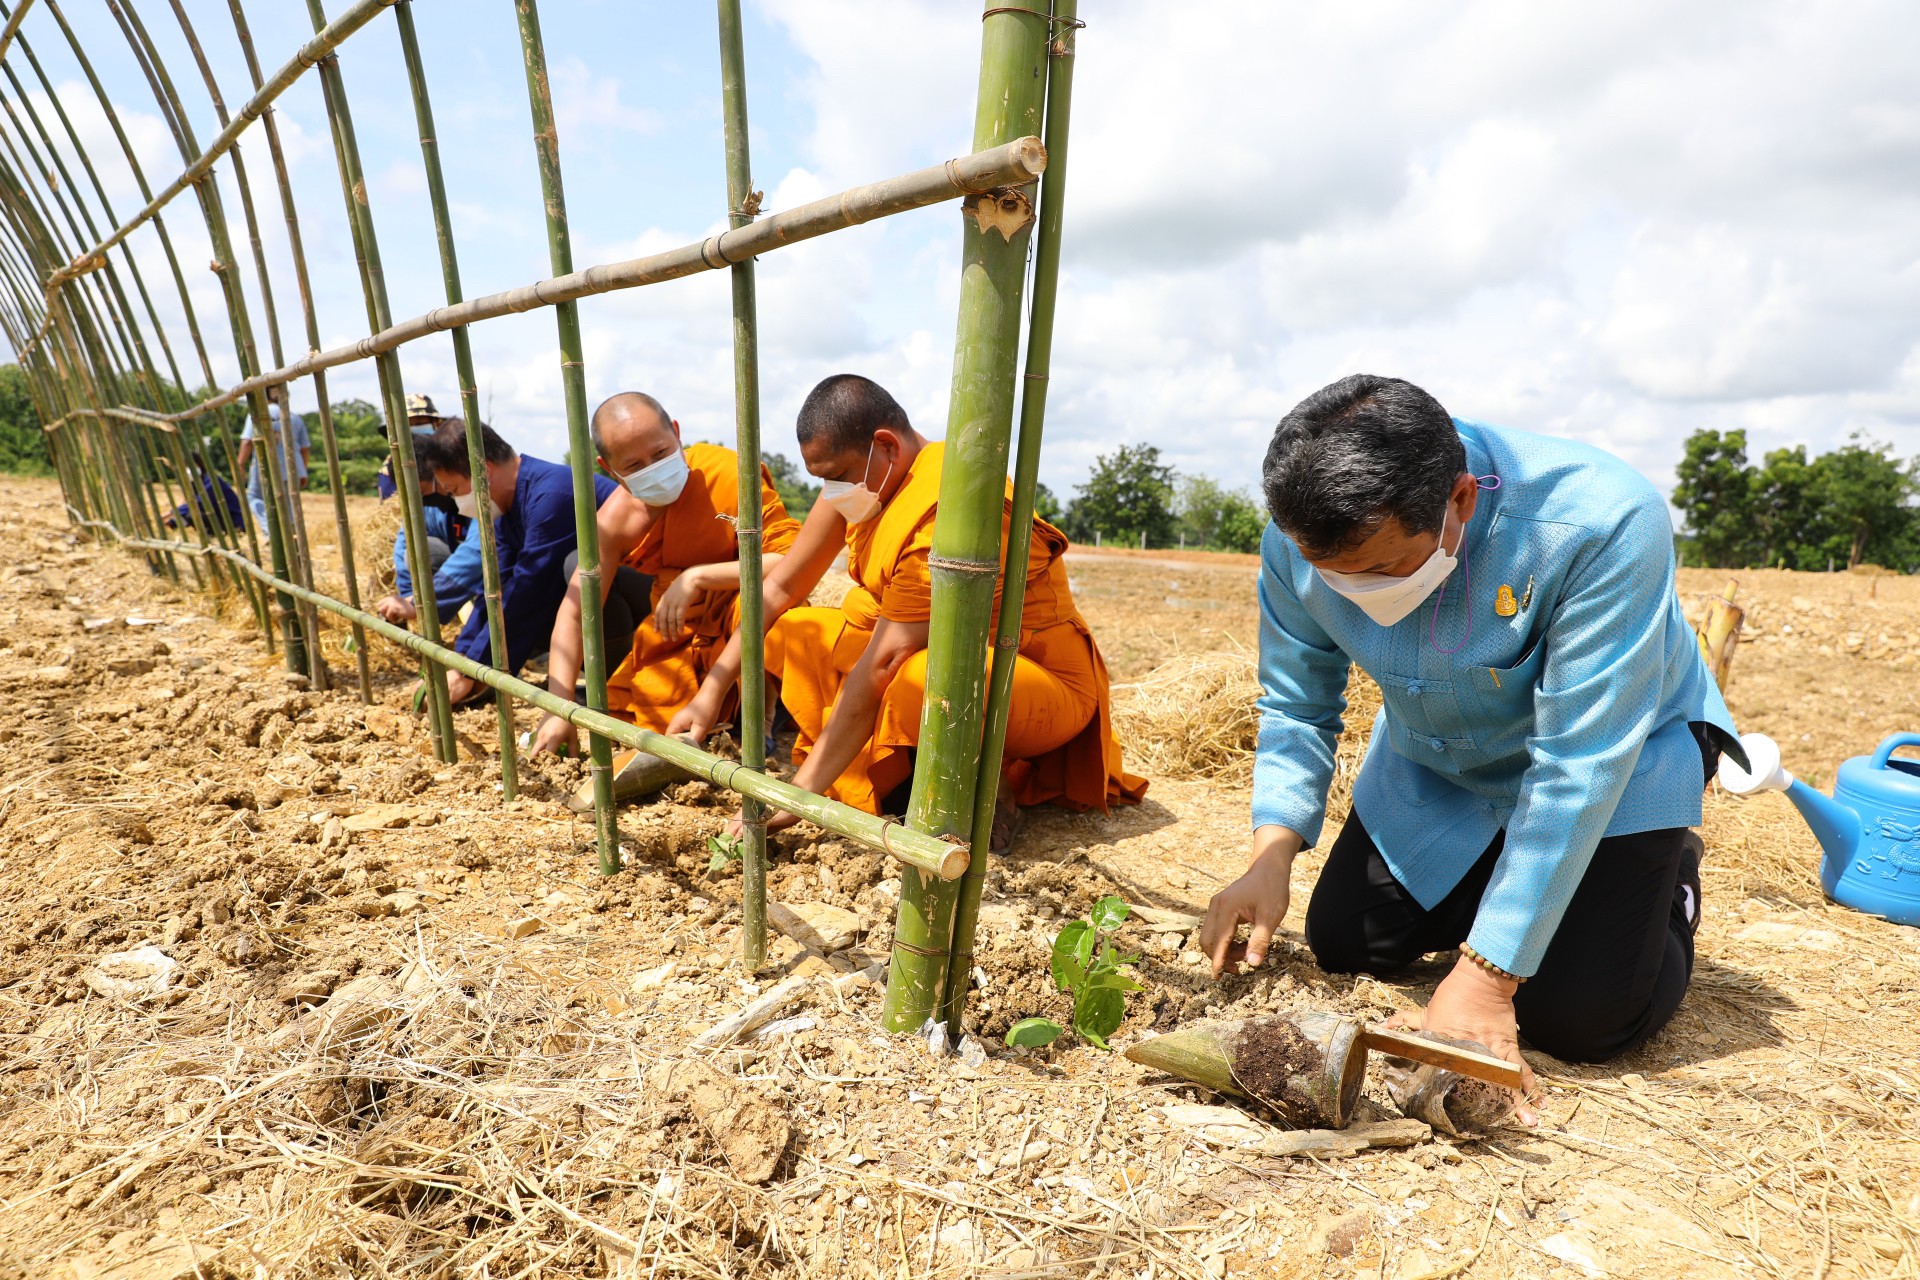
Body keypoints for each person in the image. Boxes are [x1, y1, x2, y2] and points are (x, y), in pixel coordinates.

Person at [1198, 374, 1742, 1101]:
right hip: (1445, 758)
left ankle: (1666, 880)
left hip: (1619, 757)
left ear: (1459, 501)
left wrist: (1487, 976)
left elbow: (1579, 761)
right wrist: (1270, 858)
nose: (1357, 594)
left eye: (1383, 570)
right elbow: (1297, 703)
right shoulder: (1297, 537)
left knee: (1578, 1021)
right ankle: (1525, 888)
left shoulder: (1602, 522)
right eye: (1334, 577)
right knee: (1347, 941)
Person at [670, 373, 1145, 846]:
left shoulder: (949, 506)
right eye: (823, 479)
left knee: (921, 675)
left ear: (886, 445)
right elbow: (779, 589)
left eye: (834, 476)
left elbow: (884, 662)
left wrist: (800, 793)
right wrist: (710, 693)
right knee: (792, 630)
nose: (830, 491)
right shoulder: (861, 480)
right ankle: (893, 769)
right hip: (926, 657)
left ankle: (984, 789)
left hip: (1033, 679)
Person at [530, 391, 799, 757]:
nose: (653, 469)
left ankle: (763, 715)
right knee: (637, 716)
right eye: (635, 466)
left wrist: (698, 577)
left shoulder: (728, 473)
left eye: (660, 454)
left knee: (759, 605)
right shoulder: (615, 522)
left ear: (676, 432)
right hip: (678, 630)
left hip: (752, 612)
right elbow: (576, 611)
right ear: (609, 469)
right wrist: (558, 706)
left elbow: (791, 561)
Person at [415, 419, 644, 705]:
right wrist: (464, 661)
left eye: (453, 491)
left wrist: (475, 669)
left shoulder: (551, 496)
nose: (454, 501)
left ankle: (614, 684)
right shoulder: (504, 507)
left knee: (578, 569)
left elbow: (528, 590)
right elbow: (498, 589)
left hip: (650, 598)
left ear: (483, 472)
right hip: (596, 599)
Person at [375, 430, 483, 625]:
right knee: (418, 549)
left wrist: (421, 603)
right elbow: (405, 542)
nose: (424, 500)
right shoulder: (430, 505)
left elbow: (477, 550)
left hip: (496, 574)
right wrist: (408, 596)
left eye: (424, 491)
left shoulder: (475, 494)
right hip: (461, 570)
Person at [233, 394, 309, 529]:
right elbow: (304, 448)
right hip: (293, 467)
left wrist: (240, 464)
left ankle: (271, 531)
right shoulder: (295, 417)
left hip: (267, 465)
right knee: (289, 504)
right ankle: (292, 537)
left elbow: (247, 442)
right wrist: (303, 471)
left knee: (253, 497)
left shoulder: (258, 414)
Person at [162, 449, 245, 534]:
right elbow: (188, 503)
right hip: (217, 518)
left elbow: (198, 503)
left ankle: (213, 533)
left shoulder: (211, 480)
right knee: (189, 514)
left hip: (232, 522)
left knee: (193, 514)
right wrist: (172, 522)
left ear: (198, 464)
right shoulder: (196, 482)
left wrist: (170, 513)